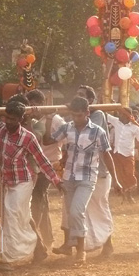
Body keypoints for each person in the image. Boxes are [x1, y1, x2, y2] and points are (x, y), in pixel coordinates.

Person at [0, 101, 61, 269]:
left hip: (24, 180)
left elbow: (42, 160)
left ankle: (9, 259)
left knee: (12, 213)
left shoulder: (27, 137)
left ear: (21, 119)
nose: (9, 122)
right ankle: (39, 249)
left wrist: (57, 180)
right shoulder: (1, 128)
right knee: (20, 215)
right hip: (7, 181)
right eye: (7, 118)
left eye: (13, 119)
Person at [45, 96, 122, 266]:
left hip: (87, 178)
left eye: (79, 115)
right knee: (71, 214)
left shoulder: (98, 131)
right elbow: (48, 140)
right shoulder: (67, 128)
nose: (76, 119)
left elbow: (106, 155)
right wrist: (49, 118)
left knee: (76, 211)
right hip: (69, 178)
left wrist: (116, 180)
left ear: (87, 113)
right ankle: (75, 246)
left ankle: (81, 251)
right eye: (73, 115)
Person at [75, 85, 115, 256]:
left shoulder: (98, 115)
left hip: (100, 170)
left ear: (90, 101)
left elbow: (87, 136)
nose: (77, 97)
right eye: (76, 95)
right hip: (83, 171)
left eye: (81, 95)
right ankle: (88, 245)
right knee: (84, 210)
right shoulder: (75, 118)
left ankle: (108, 244)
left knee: (100, 207)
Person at [27, 89, 65, 248]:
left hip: (50, 164)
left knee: (37, 198)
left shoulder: (56, 120)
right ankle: (47, 238)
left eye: (32, 104)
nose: (31, 107)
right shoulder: (30, 119)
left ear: (39, 104)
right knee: (41, 201)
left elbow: (60, 140)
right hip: (36, 165)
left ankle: (36, 240)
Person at [107, 107, 139, 203]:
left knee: (130, 175)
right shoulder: (116, 121)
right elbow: (106, 115)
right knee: (120, 176)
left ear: (126, 116)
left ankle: (129, 195)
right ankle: (125, 197)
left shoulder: (135, 127)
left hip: (128, 154)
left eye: (121, 114)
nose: (119, 115)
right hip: (117, 153)